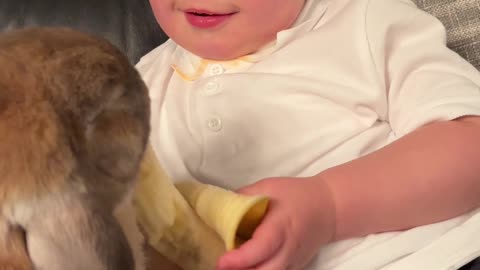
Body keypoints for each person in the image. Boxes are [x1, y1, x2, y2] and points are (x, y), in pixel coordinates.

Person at [135, 0, 480, 269]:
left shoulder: (363, 20)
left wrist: (329, 205)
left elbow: (470, 146)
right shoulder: (127, 89)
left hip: (438, 255)